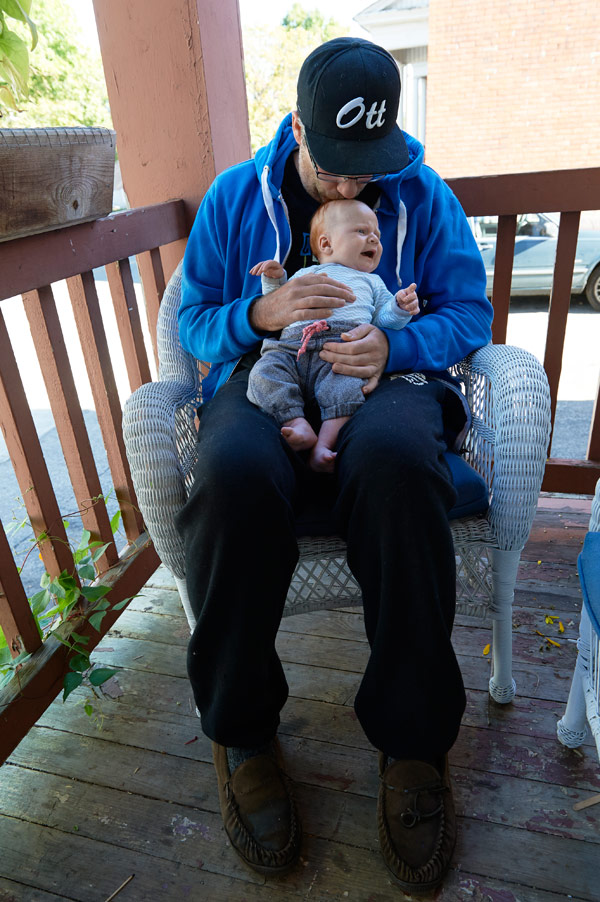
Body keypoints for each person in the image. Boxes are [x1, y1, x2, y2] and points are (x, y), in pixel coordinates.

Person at [177, 36, 493, 893]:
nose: (354, 186)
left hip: (383, 371)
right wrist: (258, 311)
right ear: (297, 128)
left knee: (397, 464)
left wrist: (396, 344)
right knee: (235, 480)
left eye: (368, 168)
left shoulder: (422, 194)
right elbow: (193, 320)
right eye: (336, 168)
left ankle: (415, 741)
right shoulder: (235, 195)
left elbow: (470, 311)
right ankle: (242, 732)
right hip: (269, 371)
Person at [247, 198, 419, 471]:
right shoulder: (304, 273)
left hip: (341, 348)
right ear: (326, 244)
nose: (374, 239)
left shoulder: (373, 282)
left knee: (348, 388)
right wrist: (274, 280)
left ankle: (325, 445)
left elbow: (384, 320)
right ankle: (295, 422)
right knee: (263, 374)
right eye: (362, 232)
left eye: (377, 235)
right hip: (292, 347)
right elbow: (278, 307)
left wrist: (399, 308)